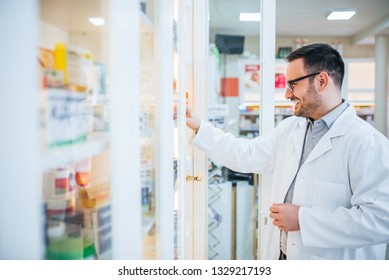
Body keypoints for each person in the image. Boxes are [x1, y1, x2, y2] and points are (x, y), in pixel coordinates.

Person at [186, 43, 389, 260]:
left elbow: (380, 220)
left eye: (292, 84)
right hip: (282, 255)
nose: (286, 94)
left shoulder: (368, 143)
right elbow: (247, 154)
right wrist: (199, 126)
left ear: (322, 81)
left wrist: (303, 219)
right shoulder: (291, 128)